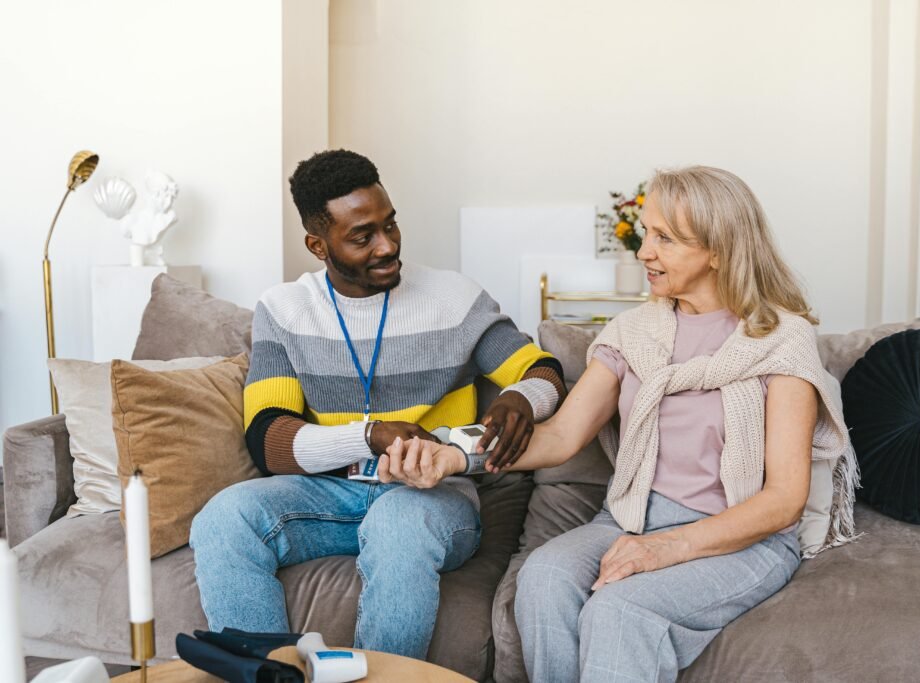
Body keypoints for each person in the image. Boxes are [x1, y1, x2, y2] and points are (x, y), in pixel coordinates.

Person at [377, 166, 858, 681]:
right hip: (631, 515)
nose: (644, 251)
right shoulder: (634, 332)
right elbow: (560, 436)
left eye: (665, 239)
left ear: (718, 250)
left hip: (742, 537)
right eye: (647, 232)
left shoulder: (780, 340)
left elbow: (785, 498)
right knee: (542, 577)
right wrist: (455, 454)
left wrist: (666, 548)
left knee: (619, 610)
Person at [189, 149, 566, 659]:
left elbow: (542, 370)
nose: (387, 246)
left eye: (390, 225)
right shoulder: (284, 310)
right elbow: (269, 440)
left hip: (434, 497)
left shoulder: (453, 298)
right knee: (223, 517)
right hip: (332, 497)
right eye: (363, 236)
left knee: (397, 523)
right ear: (317, 244)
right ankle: (270, 672)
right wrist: (369, 435)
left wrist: (521, 398)